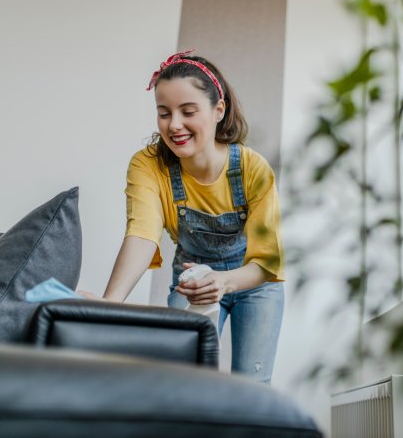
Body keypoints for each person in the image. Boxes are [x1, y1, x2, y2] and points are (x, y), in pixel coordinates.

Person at [101, 49, 285, 384]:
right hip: (192, 282)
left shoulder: (251, 168)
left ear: (218, 110)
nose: (174, 125)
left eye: (188, 111)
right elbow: (142, 235)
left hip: (254, 284)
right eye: (163, 113)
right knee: (182, 379)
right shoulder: (148, 166)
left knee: (253, 387)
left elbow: (267, 262)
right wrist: (107, 306)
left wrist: (225, 281)